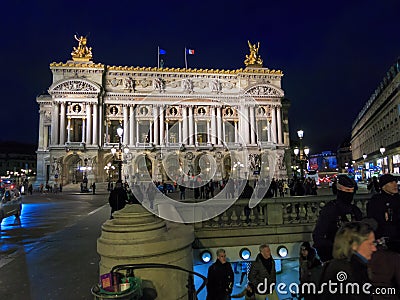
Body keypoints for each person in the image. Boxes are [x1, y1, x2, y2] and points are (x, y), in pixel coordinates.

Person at [318, 221, 377, 300]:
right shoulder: (350, 271)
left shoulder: (340, 266)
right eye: (370, 244)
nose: (374, 249)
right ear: (354, 245)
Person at [312, 174, 362, 262]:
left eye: (351, 191)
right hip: (335, 258)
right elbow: (318, 236)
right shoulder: (330, 210)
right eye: (347, 190)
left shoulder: (355, 210)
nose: (349, 194)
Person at [367, 173, 400, 252]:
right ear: (383, 186)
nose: (395, 185)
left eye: (395, 182)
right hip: (386, 241)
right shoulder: (376, 201)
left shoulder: (398, 199)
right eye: (391, 183)